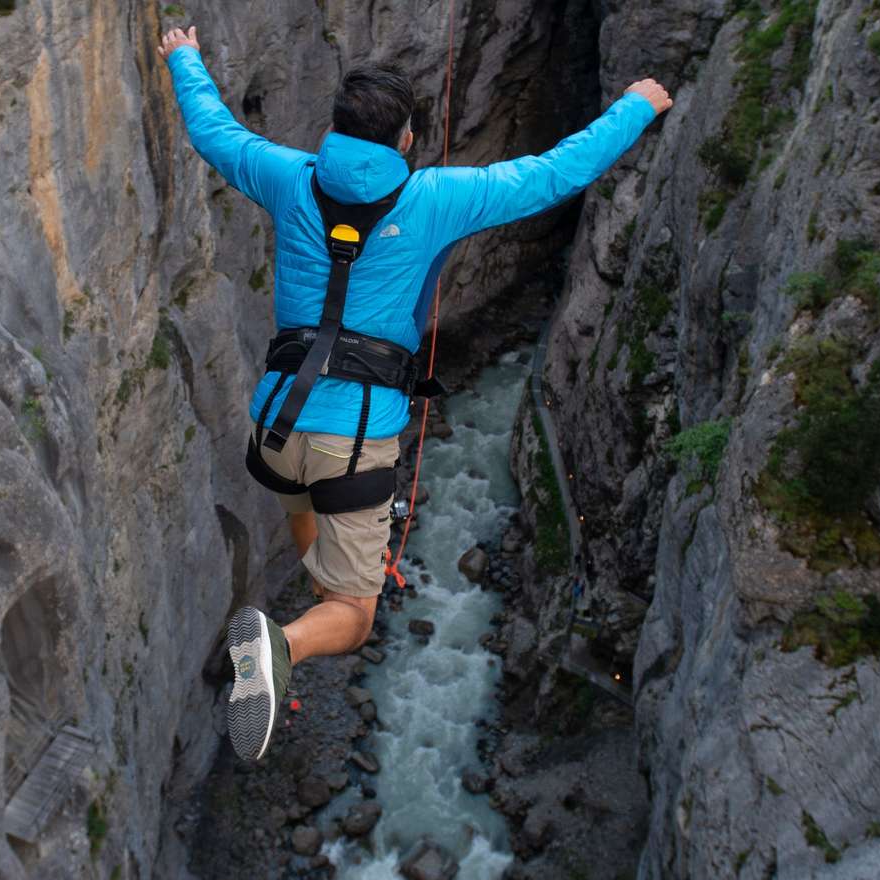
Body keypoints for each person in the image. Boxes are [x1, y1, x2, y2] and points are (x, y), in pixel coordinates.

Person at [157, 25, 672, 761]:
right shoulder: (436, 197)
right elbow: (556, 173)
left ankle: (324, 585)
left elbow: (212, 130)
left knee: (315, 523)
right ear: (403, 140)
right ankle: (278, 645)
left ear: (336, 128)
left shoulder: (284, 174)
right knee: (356, 618)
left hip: (275, 427)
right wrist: (635, 106)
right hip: (354, 438)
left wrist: (184, 56)